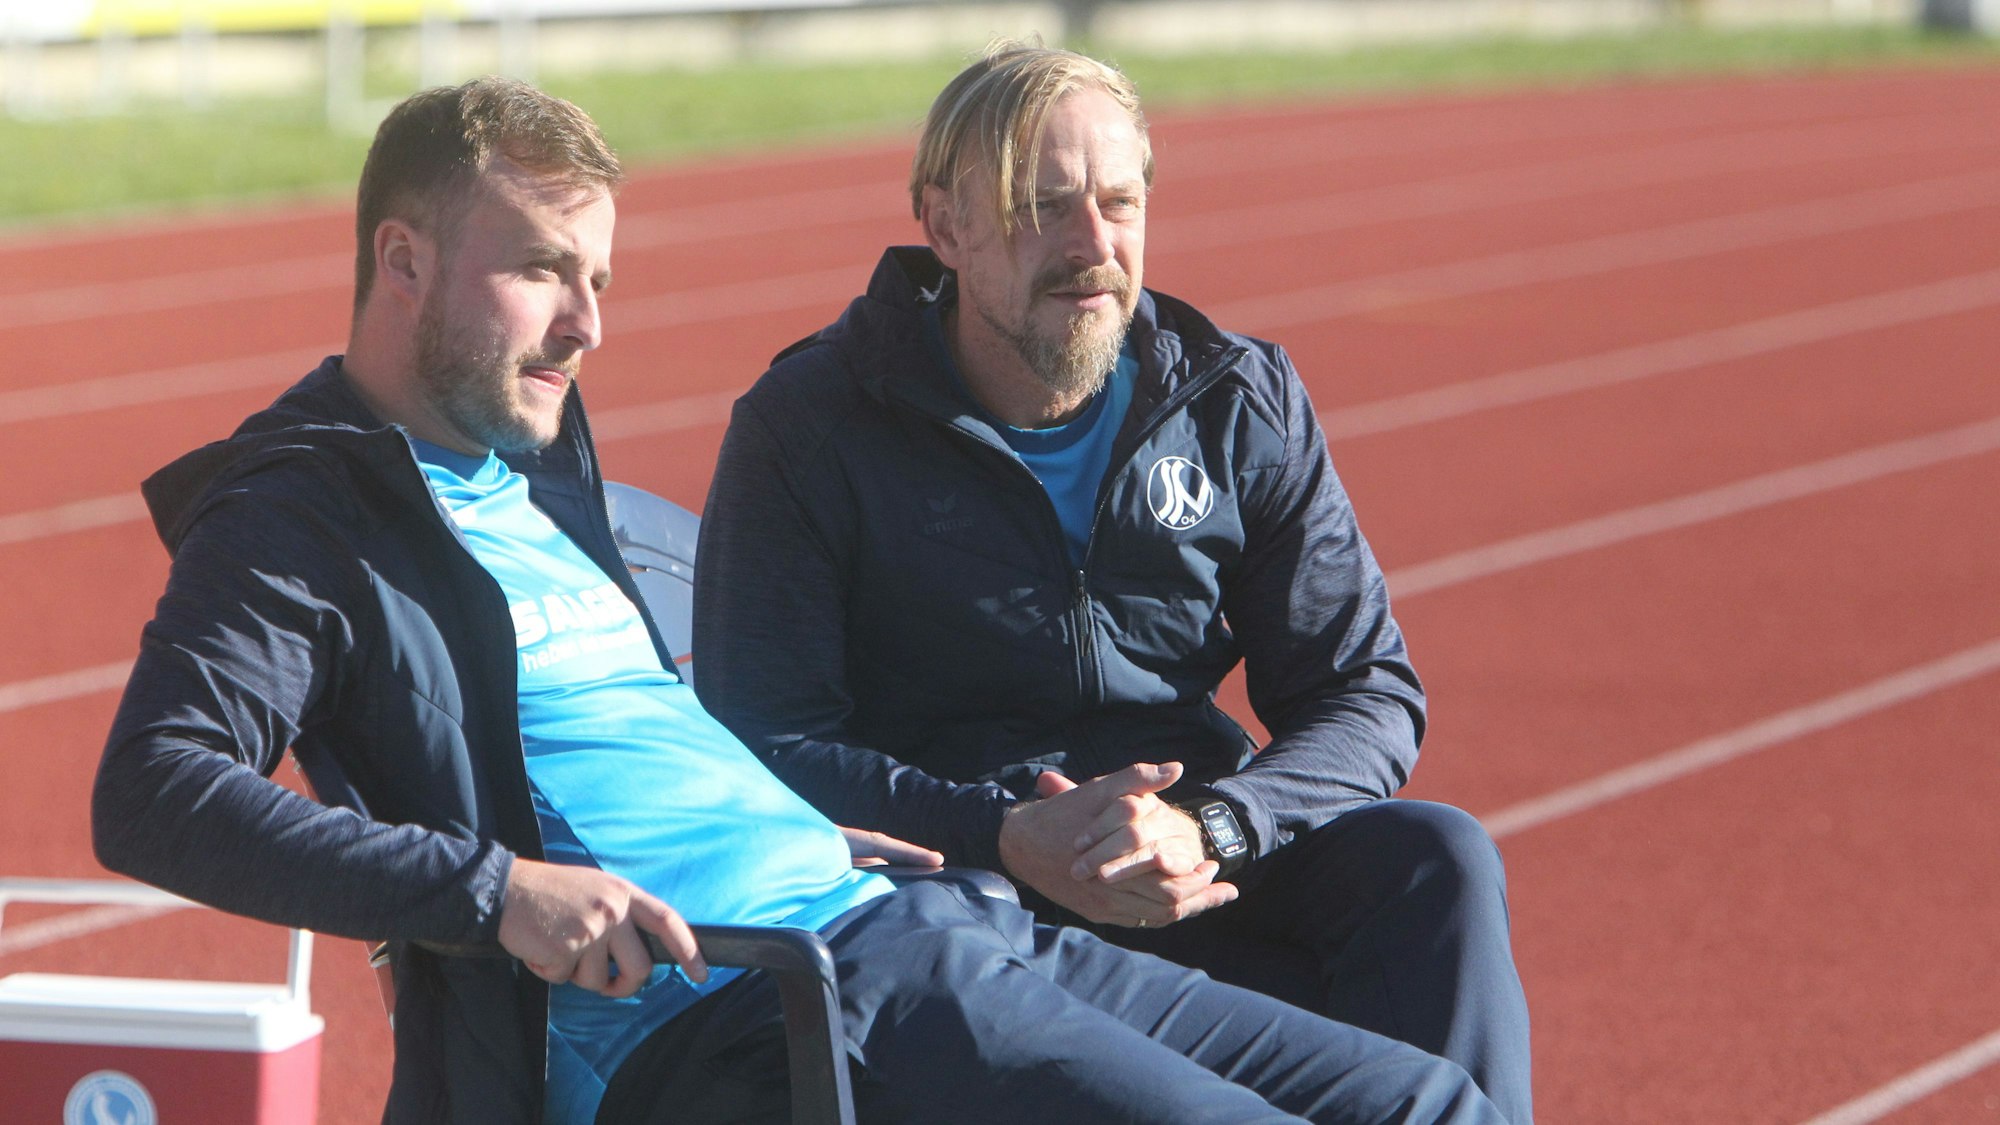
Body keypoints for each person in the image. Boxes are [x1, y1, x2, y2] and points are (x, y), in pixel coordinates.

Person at [91, 76, 1506, 1125]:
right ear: (401, 262)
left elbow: (644, 749)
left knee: (1433, 1108)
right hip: (773, 1001)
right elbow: (151, 787)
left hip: (933, 920)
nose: (589, 326)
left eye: (597, 278)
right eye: (539, 273)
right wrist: (499, 892)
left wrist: (806, 825)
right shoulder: (299, 517)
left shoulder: (529, 486)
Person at [692, 40, 1533, 1123]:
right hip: (966, 893)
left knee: (1433, 860)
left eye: (1118, 203)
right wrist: (1001, 831)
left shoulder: (1234, 397)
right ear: (942, 226)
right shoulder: (808, 426)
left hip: (1185, 858)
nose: (1092, 246)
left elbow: (1363, 691)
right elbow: (763, 743)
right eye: (1041, 207)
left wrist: (1218, 825)